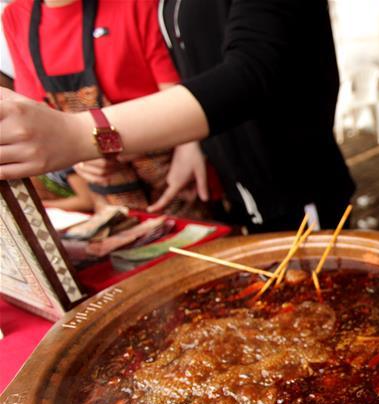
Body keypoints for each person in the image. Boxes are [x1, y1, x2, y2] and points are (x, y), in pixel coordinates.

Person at [0, 0, 355, 232]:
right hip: (233, 187)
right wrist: (193, 144)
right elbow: (196, 67)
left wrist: (80, 134)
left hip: (293, 183)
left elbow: (253, 71)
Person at [2, 0, 205, 212]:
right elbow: (39, 116)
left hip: (173, 168)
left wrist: (190, 147)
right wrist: (79, 159)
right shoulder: (16, 16)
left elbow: (179, 93)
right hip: (107, 191)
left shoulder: (135, 4)